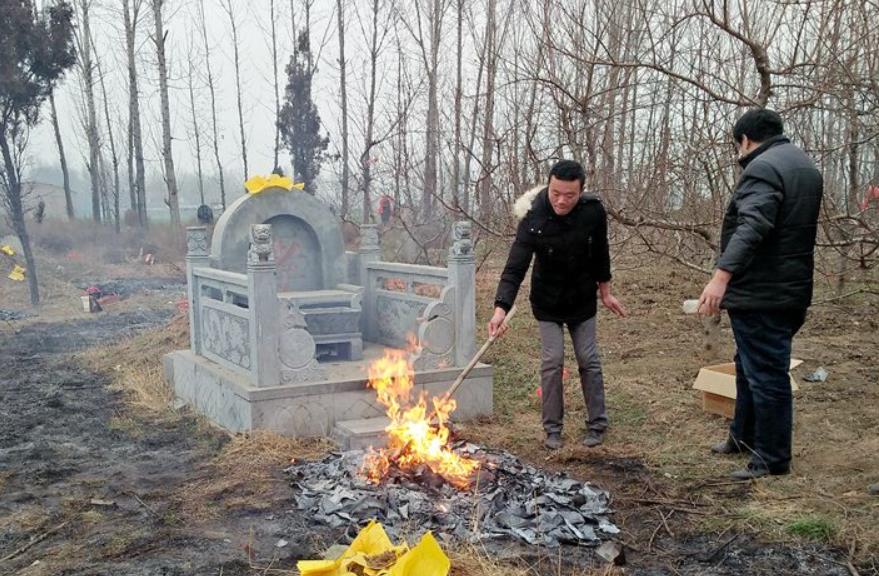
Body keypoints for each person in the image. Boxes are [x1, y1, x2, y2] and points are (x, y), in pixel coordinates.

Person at [699, 109, 823, 480]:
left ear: (745, 140)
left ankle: (771, 459)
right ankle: (743, 435)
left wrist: (721, 276)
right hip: (791, 289)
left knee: (767, 374)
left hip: (763, 292)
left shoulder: (762, 169)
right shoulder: (804, 166)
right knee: (748, 364)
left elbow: (754, 225)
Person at [489, 159, 626, 450]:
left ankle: (597, 425)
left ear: (580, 192)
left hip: (581, 297)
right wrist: (501, 308)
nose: (561, 201)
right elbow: (515, 267)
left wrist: (606, 291)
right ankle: (552, 429)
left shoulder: (592, 212)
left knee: (588, 359)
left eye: (569, 195)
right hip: (547, 301)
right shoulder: (533, 217)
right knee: (552, 361)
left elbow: (601, 253)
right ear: (548, 186)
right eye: (555, 193)